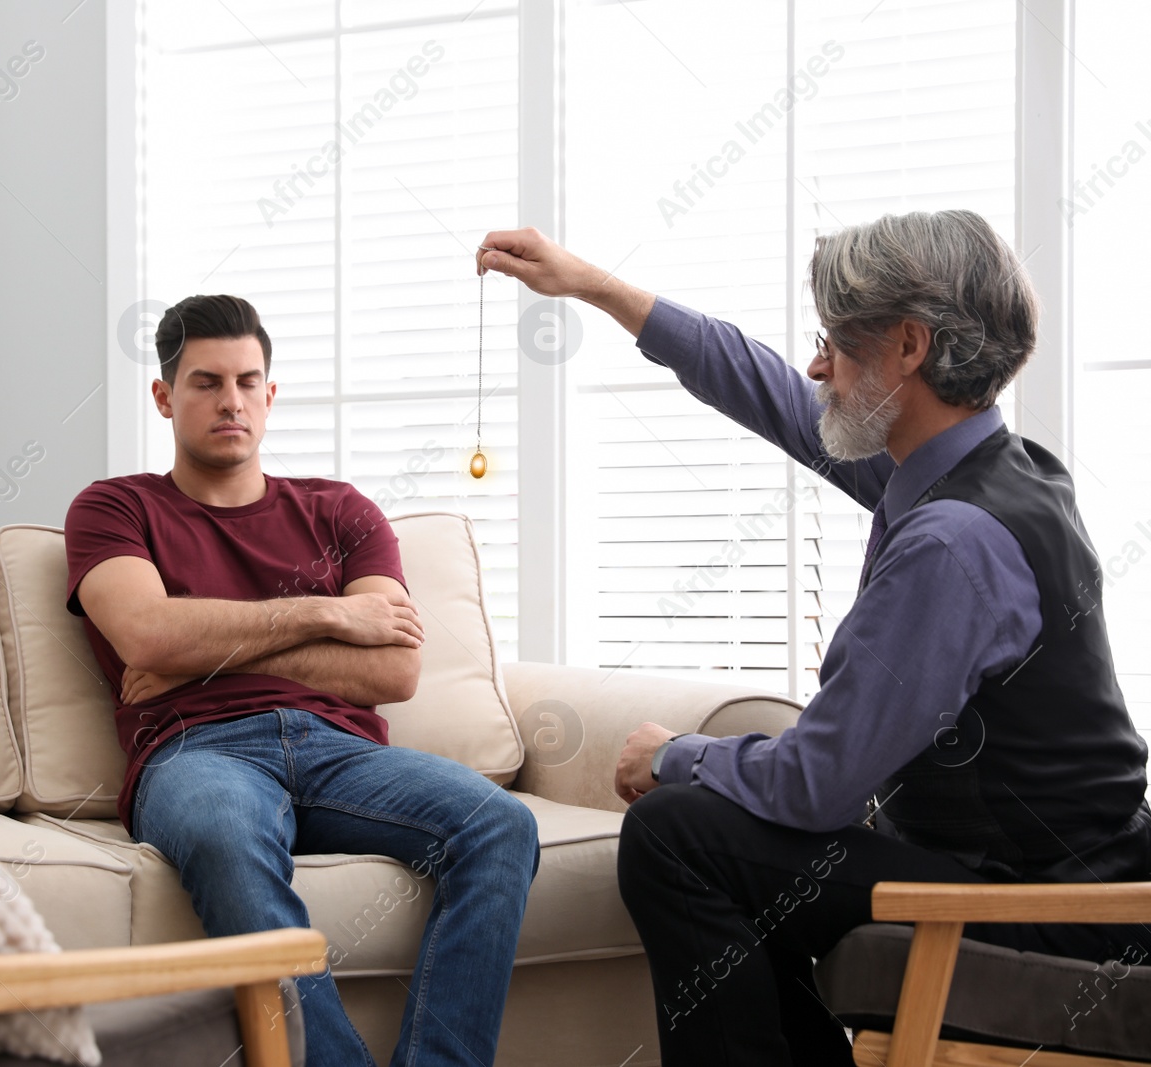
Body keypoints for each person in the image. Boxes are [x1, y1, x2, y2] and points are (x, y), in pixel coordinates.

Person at [478, 211, 1151, 1066]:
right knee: (714, 831)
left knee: (679, 835)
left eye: (835, 340)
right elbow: (774, 394)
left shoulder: (952, 542)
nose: (816, 364)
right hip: (1061, 878)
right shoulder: (993, 467)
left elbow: (815, 787)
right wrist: (599, 288)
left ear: (909, 346)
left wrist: (675, 754)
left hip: (1048, 911)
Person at [64, 293, 540, 1067]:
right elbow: (148, 633)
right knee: (223, 834)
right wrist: (327, 614)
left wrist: (206, 646)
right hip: (195, 753)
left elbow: (394, 667)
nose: (232, 401)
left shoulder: (342, 513)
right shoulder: (116, 507)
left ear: (271, 394)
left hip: (341, 751)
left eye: (249, 382)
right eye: (207, 382)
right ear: (163, 396)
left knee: (501, 825)